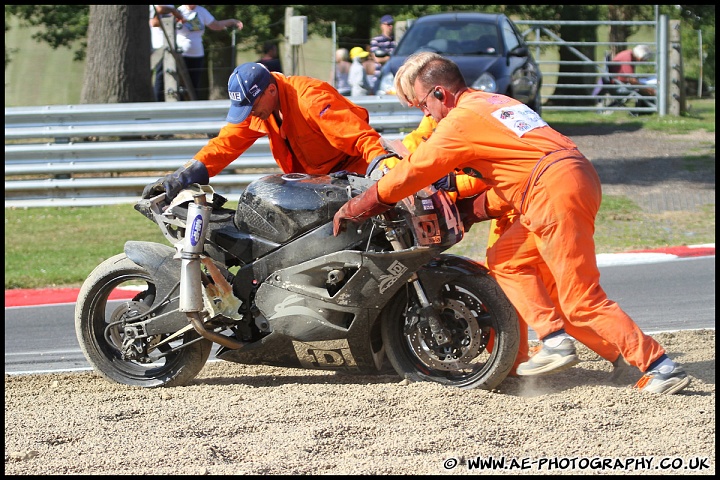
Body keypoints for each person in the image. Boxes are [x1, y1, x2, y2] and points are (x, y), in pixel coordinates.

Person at [332, 52, 689, 395]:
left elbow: (414, 170)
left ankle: (657, 366)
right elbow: (519, 174)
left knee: (580, 299)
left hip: (552, 190)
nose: (427, 114)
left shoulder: (459, 120)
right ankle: (562, 341)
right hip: (569, 177)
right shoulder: (495, 102)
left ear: (440, 93)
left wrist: (363, 203)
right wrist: (473, 211)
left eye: (425, 105)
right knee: (506, 258)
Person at [390, 61, 630, 380]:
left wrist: (445, 187)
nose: (418, 111)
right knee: (541, 291)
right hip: (527, 199)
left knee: (535, 286)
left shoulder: (455, 117)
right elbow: (412, 152)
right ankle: (601, 354)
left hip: (525, 203)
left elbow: (478, 172)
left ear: (433, 93)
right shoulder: (470, 108)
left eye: (416, 101)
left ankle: (620, 356)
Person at [141, 62, 389, 201]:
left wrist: (381, 167)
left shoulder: (310, 99)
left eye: (251, 107)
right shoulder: (260, 106)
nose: (249, 114)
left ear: (271, 90)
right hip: (318, 185)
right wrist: (182, 176)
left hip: (355, 178)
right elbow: (225, 144)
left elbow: (359, 136)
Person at [175, 5, 244, 100]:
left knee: (194, 85)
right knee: (181, 84)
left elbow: (216, 25)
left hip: (197, 54)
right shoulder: (178, 11)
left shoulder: (201, 11)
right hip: (182, 54)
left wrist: (232, 21)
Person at [149, 5, 185, 102]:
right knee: (160, 77)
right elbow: (158, 13)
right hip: (159, 45)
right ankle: (157, 102)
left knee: (173, 76)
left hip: (171, 43)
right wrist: (174, 11)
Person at [369, 14, 396, 90]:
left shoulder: (396, 41)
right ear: (382, 26)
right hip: (380, 77)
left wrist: (386, 58)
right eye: (388, 24)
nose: (391, 27)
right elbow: (377, 59)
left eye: (392, 24)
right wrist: (392, 58)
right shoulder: (376, 40)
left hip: (394, 78)